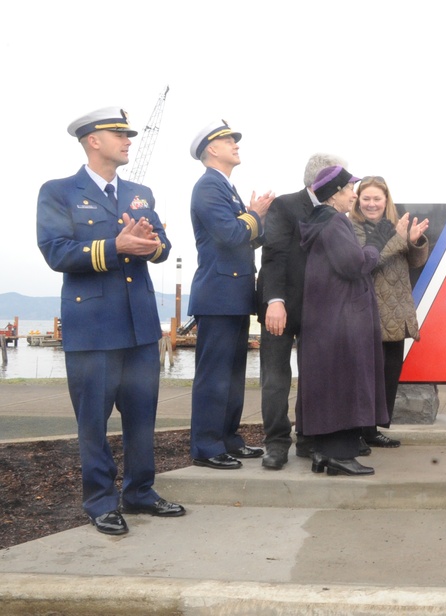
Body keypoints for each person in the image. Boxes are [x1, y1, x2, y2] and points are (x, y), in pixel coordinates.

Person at [37, 107, 185, 535]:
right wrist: (115, 245)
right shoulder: (59, 192)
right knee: (93, 422)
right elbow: (55, 251)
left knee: (142, 415)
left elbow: (161, 245)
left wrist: (150, 245)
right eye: (117, 133)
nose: (127, 140)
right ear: (92, 140)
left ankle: (141, 491)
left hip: (140, 325)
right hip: (94, 327)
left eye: (128, 133)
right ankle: (101, 502)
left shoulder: (140, 193)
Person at [188, 120, 274, 469]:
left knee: (233, 374)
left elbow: (247, 237)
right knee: (214, 375)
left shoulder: (226, 188)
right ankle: (207, 446)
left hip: (233, 293)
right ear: (212, 149)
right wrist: (255, 214)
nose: (235, 144)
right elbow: (229, 234)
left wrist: (254, 220)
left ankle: (228, 439)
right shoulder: (209, 187)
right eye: (227, 140)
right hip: (217, 294)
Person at [257, 153, 348, 470]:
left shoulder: (337, 212)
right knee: (276, 378)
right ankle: (276, 443)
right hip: (279, 307)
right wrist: (276, 301)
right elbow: (273, 256)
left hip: (317, 310)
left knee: (315, 376)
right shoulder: (285, 205)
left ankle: (309, 438)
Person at [297, 166, 389, 476]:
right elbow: (354, 263)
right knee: (345, 382)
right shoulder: (335, 222)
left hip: (326, 317)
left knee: (328, 382)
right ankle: (341, 454)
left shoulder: (318, 221)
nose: (354, 194)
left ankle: (323, 452)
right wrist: (374, 248)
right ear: (336, 193)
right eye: (350, 188)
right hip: (344, 317)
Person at [350, 176, 430, 448]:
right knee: (366, 377)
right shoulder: (352, 227)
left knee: (388, 374)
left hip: (396, 311)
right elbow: (367, 260)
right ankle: (360, 430)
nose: (372, 204)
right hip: (369, 312)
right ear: (358, 201)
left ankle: (373, 431)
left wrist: (414, 242)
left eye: (377, 199)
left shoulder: (393, 226)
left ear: (387, 201)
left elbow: (414, 262)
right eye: (366, 198)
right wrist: (399, 239)